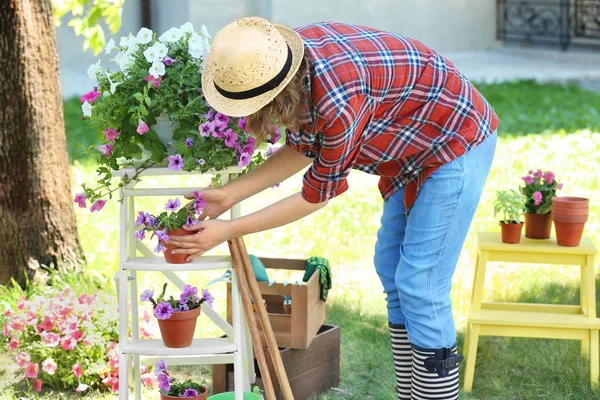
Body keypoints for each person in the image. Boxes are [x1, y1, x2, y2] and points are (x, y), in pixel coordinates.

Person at [167, 17, 498, 400]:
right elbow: (305, 147)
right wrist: (230, 196)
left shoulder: (336, 97)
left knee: (421, 284)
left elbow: (316, 195)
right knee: (391, 270)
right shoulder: (283, 64)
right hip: (409, 146)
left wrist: (228, 230)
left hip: (455, 139)